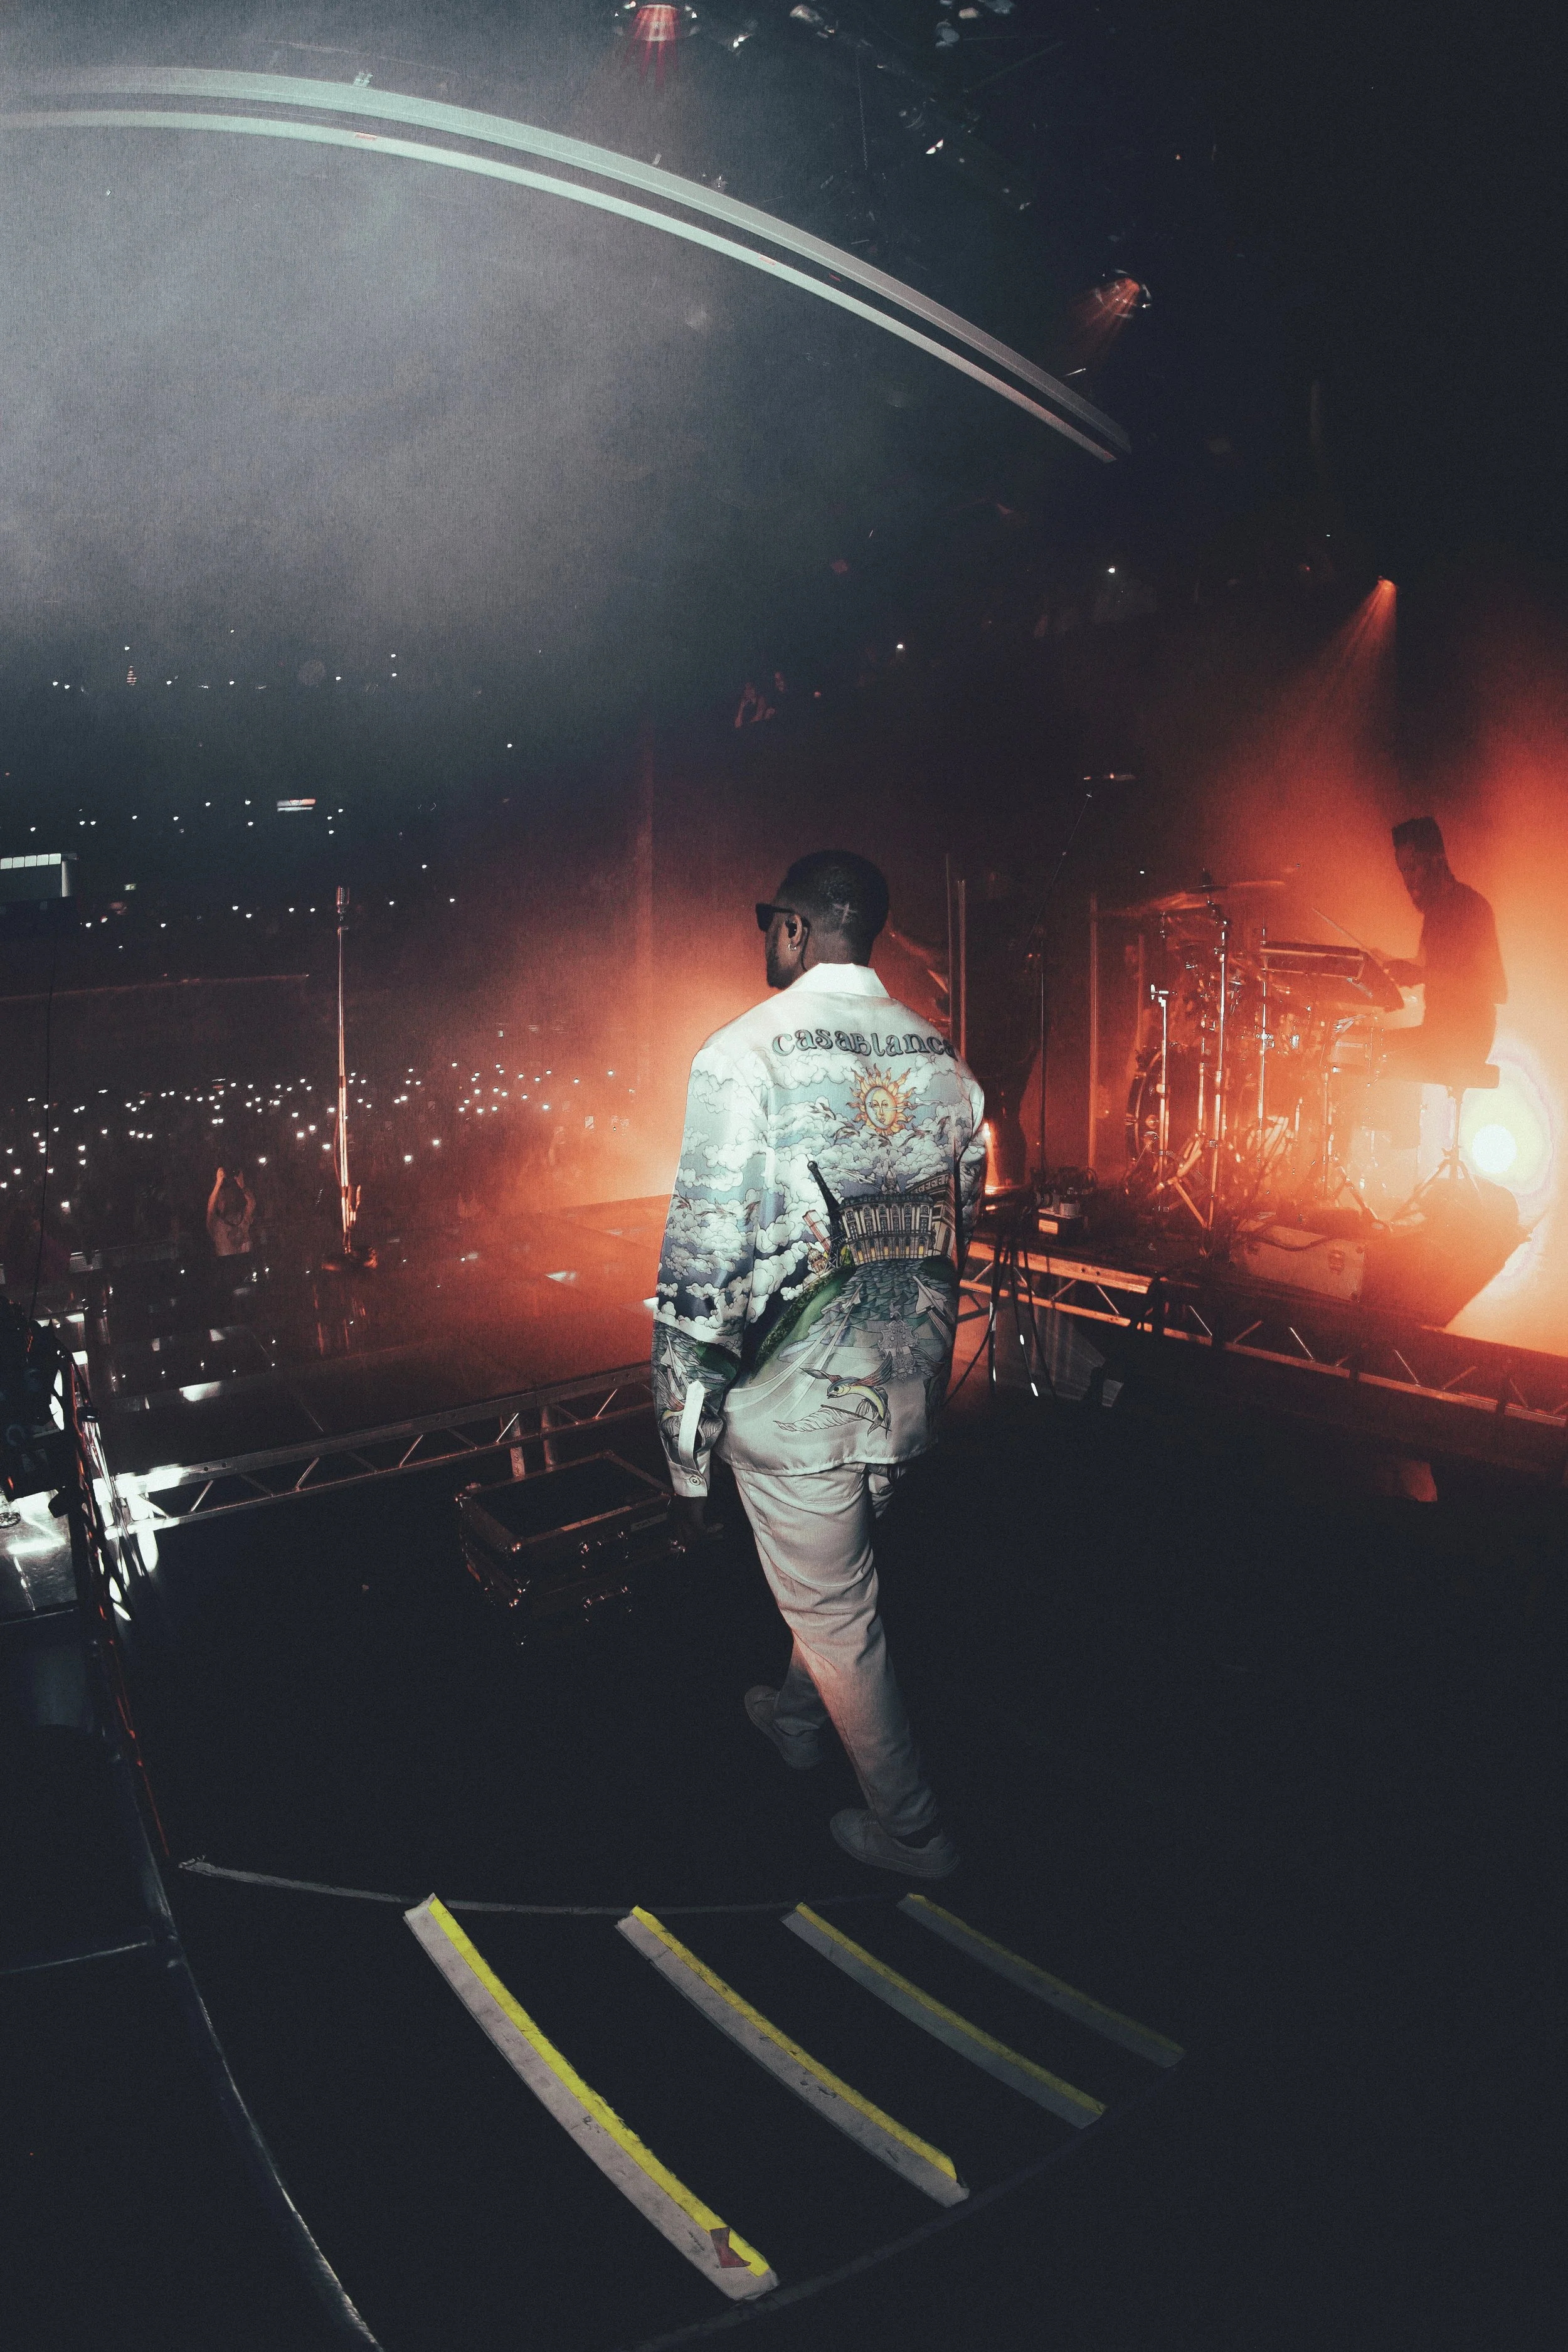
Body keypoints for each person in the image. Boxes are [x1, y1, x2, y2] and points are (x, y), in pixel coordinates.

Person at [652, 851, 986, 1878]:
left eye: (769, 923)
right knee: (832, 1583)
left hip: (796, 1410)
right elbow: (952, 1234)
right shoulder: (945, 1067)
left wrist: (684, 1455)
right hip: (901, 1392)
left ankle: (914, 1831)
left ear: (795, 931)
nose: (766, 939)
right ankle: (800, 1723)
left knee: (840, 1614)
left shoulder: (743, 1057)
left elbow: (703, 1269)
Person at [1378, 817, 1506, 1080]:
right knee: (1368, 1044)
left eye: (1413, 869)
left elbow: (1497, 989)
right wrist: (1384, 965)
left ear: (1437, 861)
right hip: (1436, 1034)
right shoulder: (1434, 913)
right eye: (1403, 871)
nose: (1408, 881)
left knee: (1371, 1051)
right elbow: (1426, 968)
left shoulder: (1472, 909)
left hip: (1467, 1040)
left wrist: (1421, 976)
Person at [206, 1166, 255, 1257]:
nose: (225, 1202)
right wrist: (218, 1184)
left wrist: (243, 1186)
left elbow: (251, 1203)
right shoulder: (217, 1225)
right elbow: (210, 1210)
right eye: (221, 1199)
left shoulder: (241, 1219)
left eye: (226, 1198)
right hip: (226, 1267)